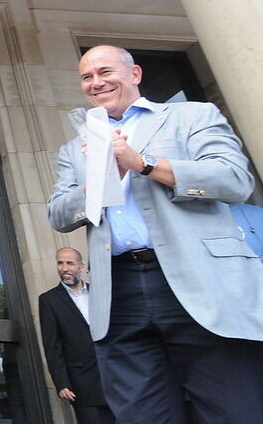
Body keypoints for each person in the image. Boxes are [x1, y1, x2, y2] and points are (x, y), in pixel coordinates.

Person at [47, 45, 263, 423]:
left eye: (105, 72)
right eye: (87, 77)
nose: (96, 83)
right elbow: (58, 214)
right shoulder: (75, 148)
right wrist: (99, 181)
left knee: (232, 408)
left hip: (201, 281)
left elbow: (234, 180)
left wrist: (142, 163)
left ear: (135, 74)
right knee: (142, 413)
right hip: (119, 289)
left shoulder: (191, 115)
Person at [38, 247, 114, 424]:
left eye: (70, 263)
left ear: (81, 266)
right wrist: (62, 382)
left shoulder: (101, 293)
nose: (64, 268)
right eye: (60, 263)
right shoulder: (49, 300)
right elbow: (52, 346)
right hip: (82, 383)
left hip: (115, 377)